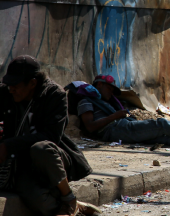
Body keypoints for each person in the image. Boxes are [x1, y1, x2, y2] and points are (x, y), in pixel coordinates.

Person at [0, 55, 99, 216]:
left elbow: (51, 136)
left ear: (32, 83)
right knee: (39, 202)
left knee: (41, 148)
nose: (11, 89)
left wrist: (9, 145)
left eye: (16, 85)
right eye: (9, 85)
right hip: (19, 162)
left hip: (50, 158)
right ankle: (75, 208)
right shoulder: (7, 93)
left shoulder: (54, 95)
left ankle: (68, 198)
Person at [77, 75, 170, 147]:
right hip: (114, 129)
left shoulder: (105, 102)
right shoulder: (86, 101)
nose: (111, 93)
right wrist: (114, 116)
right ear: (99, 85)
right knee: (161, 124)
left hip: (120, 128)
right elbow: (90, 127)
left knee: (162, 138)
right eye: (109, 88)